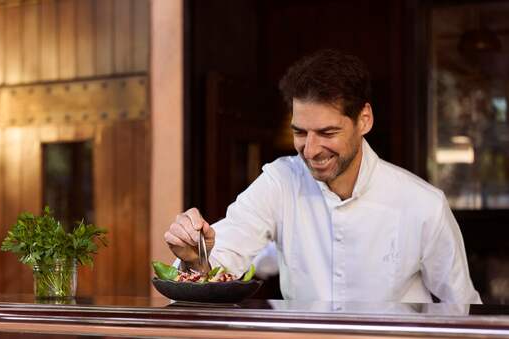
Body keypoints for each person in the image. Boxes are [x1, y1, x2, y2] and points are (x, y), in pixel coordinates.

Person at [164, 49, 481, 303]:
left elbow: (462, 308)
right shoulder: (280, 182)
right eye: (300, 132)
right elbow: (224, 257)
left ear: (364, 120)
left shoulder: (424, 204)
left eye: (327, 132)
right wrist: (195, 256)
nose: (311, 150)